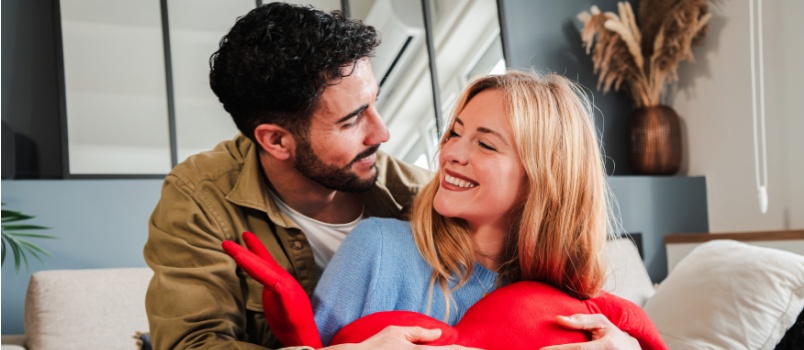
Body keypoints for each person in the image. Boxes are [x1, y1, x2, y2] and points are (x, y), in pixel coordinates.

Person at [145, 2, 640, 349]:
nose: (382, 133)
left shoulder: (425, 194)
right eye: (351, 119)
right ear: (276, 140)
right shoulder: (200, 199)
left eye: (375, 104)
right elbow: (192, 343)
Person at [311, 71, 662, 349]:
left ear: (543, 178)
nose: (452, 153)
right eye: (455, 133)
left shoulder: (571, 308)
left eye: (485, 144)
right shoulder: (377, 249)